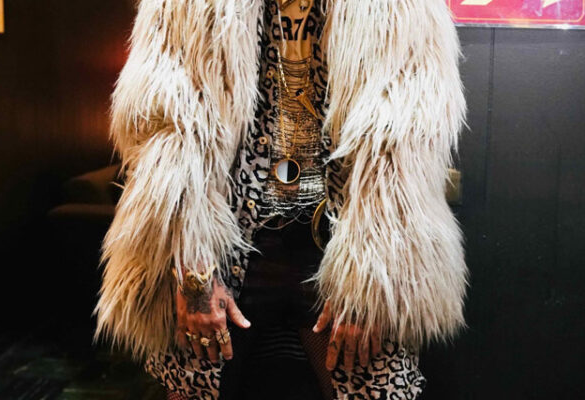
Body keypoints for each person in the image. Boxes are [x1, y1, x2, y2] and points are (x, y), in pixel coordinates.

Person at [94, 0, 469, 398]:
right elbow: (167, 132)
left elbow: (402, 150)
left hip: (344, 239)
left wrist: (374, 280)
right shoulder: (188, 7)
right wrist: (192, 269)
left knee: (373, 386)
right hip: (228, 236)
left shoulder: (400, 9)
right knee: (194, 387)